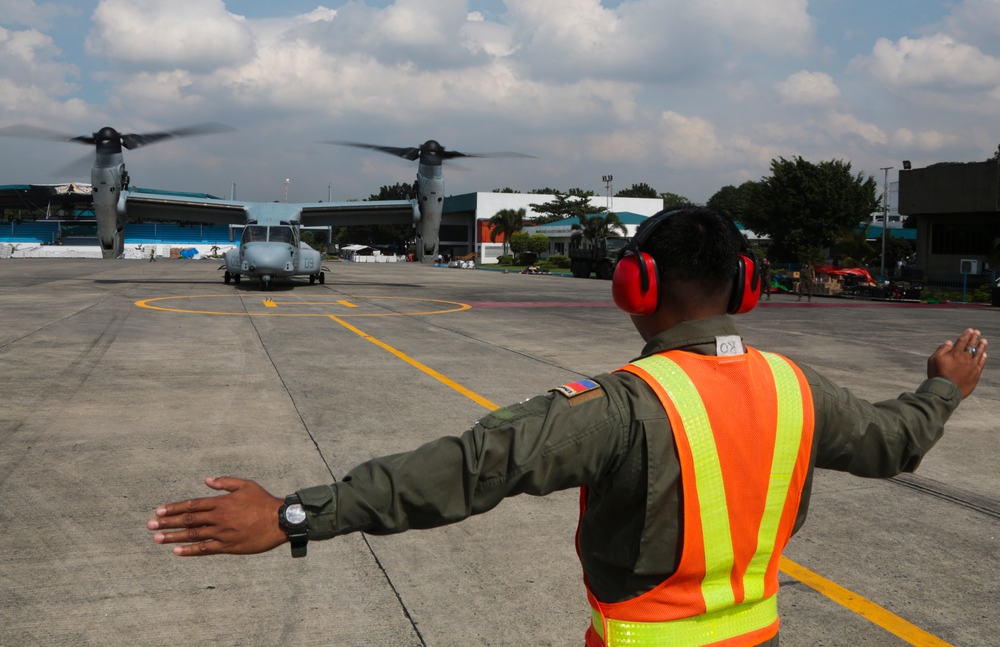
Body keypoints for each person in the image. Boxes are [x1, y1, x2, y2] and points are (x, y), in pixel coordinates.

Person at [147, 207, 987, 646]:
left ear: (635, 286)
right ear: (747, 286)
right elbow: (895, 440)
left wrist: (295, 511)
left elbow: (469, 468)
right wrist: (941, 389)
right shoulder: (797, 387)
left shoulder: (622, 405)